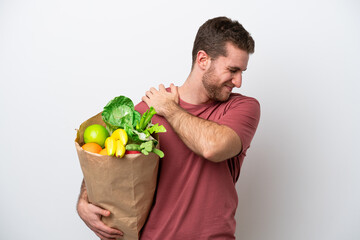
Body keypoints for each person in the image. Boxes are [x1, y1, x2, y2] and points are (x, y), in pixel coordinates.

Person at [77, 16, 260, 240]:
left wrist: (169, 110)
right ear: (203, 59)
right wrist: (83, 200)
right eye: (232, 70)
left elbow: (213, 147)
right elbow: (104, 158)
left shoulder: (242, 108)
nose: (238, 81)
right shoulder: (145, 112)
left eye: (242, 71)